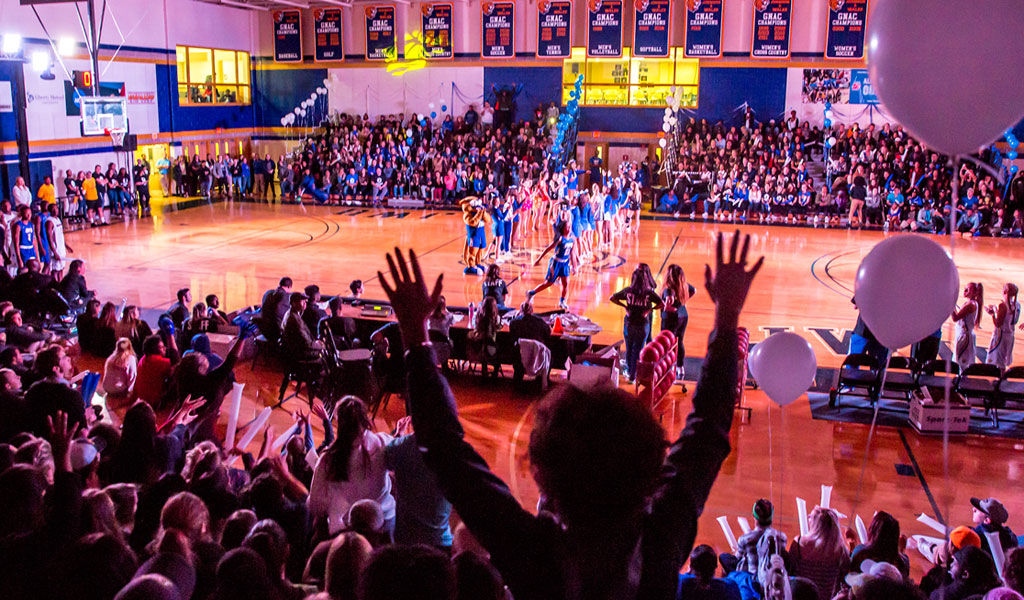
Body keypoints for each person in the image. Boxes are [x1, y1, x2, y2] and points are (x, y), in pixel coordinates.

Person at [376, 232, 762, 600]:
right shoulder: (661, 543)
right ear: (650, 469)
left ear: (542, 474)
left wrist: (414, 335)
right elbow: (708, 429)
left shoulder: (531, 555)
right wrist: (727, 319)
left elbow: (444, 449)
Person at [307, 396, 395, 539]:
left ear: (339, 425)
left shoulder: (327, 460)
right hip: (384, 522)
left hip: (348, 528)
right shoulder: (383, 443)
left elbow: (315, 505)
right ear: (366, 421)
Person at [384, 419, 452, 550]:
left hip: (405, 539)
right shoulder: (453, 450)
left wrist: (399, 434)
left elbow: (387, 463)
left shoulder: (402, 446)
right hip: (440, 540)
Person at [611, 263, 664, 382]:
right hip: (642, 324)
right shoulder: (649, 293)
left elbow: (612, 298)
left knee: (629, 348)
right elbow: (662, 304)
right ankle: (633, 376)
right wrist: (649, 310)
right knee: (638, 350)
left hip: (629, 323)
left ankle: (629, 372)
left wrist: (624, 306)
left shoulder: (628, 291)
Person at [788, 507, 850, 600]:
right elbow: (846, 579)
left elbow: (789, 571)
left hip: (798, 596)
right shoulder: (841, 551)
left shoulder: (799, 544)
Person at [661, 264, 696, 388]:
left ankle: (667, 368)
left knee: (667, 345)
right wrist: (681, 303)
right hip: (683, 315)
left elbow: (668, 300)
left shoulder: (668, 289)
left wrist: (666, 307)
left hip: (670, 318)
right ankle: (680, 367)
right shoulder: (683, 286)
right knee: (679, 341)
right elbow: (694, 290)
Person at [527, 220, 575, 311]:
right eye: (567, 227)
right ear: (562, 228)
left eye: (569, 226)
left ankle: (562, 301)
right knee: (548, 283)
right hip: (556, 263)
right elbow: (548, 249)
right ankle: (531, 293)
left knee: (566, 284)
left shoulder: (572, 238)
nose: (569, 229)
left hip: (565, 263)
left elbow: (572, 253)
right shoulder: (560, 239)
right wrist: (538, 259)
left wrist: (574, 265)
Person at [850, 511, 910, 577]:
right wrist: (901, 550)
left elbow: (852, 576)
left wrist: (853, 544)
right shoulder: (903, 561)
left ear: (872, 532)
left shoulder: (859, 553)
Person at [929, 546, 1001, 600]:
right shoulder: (996, 588)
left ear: (965, 574)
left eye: (954, 562)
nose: (951, 565)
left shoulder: (955, 592)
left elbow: (934, 597)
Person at [676, 544, 742, 600]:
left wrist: (687, 574)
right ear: (715, 567)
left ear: (691, 566)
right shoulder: (730, 587)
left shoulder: (681, 583)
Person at [509, 301, 551, 382]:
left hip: (519, 356)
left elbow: (512, 338)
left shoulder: (514, 322)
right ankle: (543, 379)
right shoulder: (541, 322)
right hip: (538, 357)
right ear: (532, 311)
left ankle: (517, 380)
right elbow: (547, 335)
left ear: (520, 311)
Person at [985, 283, 1020, 370]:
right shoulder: (1017, 304)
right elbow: (1012, 319)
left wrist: (992, 314)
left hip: (1001, 336)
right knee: (1003, 360)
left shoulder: (1003, 305)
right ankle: (1001, 380)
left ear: (1004, 291)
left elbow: (998, 324)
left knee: (999, 362)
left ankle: (1001, 380)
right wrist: (997, 311)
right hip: (1010, 335)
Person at [953, 282, 982, 371]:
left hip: (965, 337)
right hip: (963, 335)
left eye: (968, 289)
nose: (965, 290)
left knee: (962, 364)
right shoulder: (969, 303)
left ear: (975, 293)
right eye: (965, 288)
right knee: (960, 362)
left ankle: (962, 382)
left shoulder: (971, 304)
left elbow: (955, 317)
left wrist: (950, 305)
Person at [469, 296, 501, 377]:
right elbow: (499, 327)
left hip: (477, 348)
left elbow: (473, 325)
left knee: (484, 344)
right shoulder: (496, 318)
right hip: (491, 349)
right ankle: (495, 374)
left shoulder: (477, 317)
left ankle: (484, 371)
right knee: (500, 348)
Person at [44, 204, 71, 279]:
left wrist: (66, 246)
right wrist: (54, 252)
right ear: (50, 210)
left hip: (61, 249)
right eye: (53, 209)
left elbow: (60, 236)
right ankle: (55, 286)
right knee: (55, 270)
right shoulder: (49, 222)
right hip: (55, 250)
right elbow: (49, 238)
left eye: (56, 208)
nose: (55, 210)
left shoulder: (58, 219)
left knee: (61, 269)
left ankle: (60, 285)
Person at [13, 206, 38, 270]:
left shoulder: (31, 225)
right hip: (23, 249)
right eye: (27, 213)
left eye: (30, 213)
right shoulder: (18, 225)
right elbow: (16, 242)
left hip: (31, 249)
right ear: (22, 214)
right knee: (24, 270)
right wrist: (19, 258)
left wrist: (37, 255)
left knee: (35, 269)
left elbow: (34, 240)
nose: (29, 215)